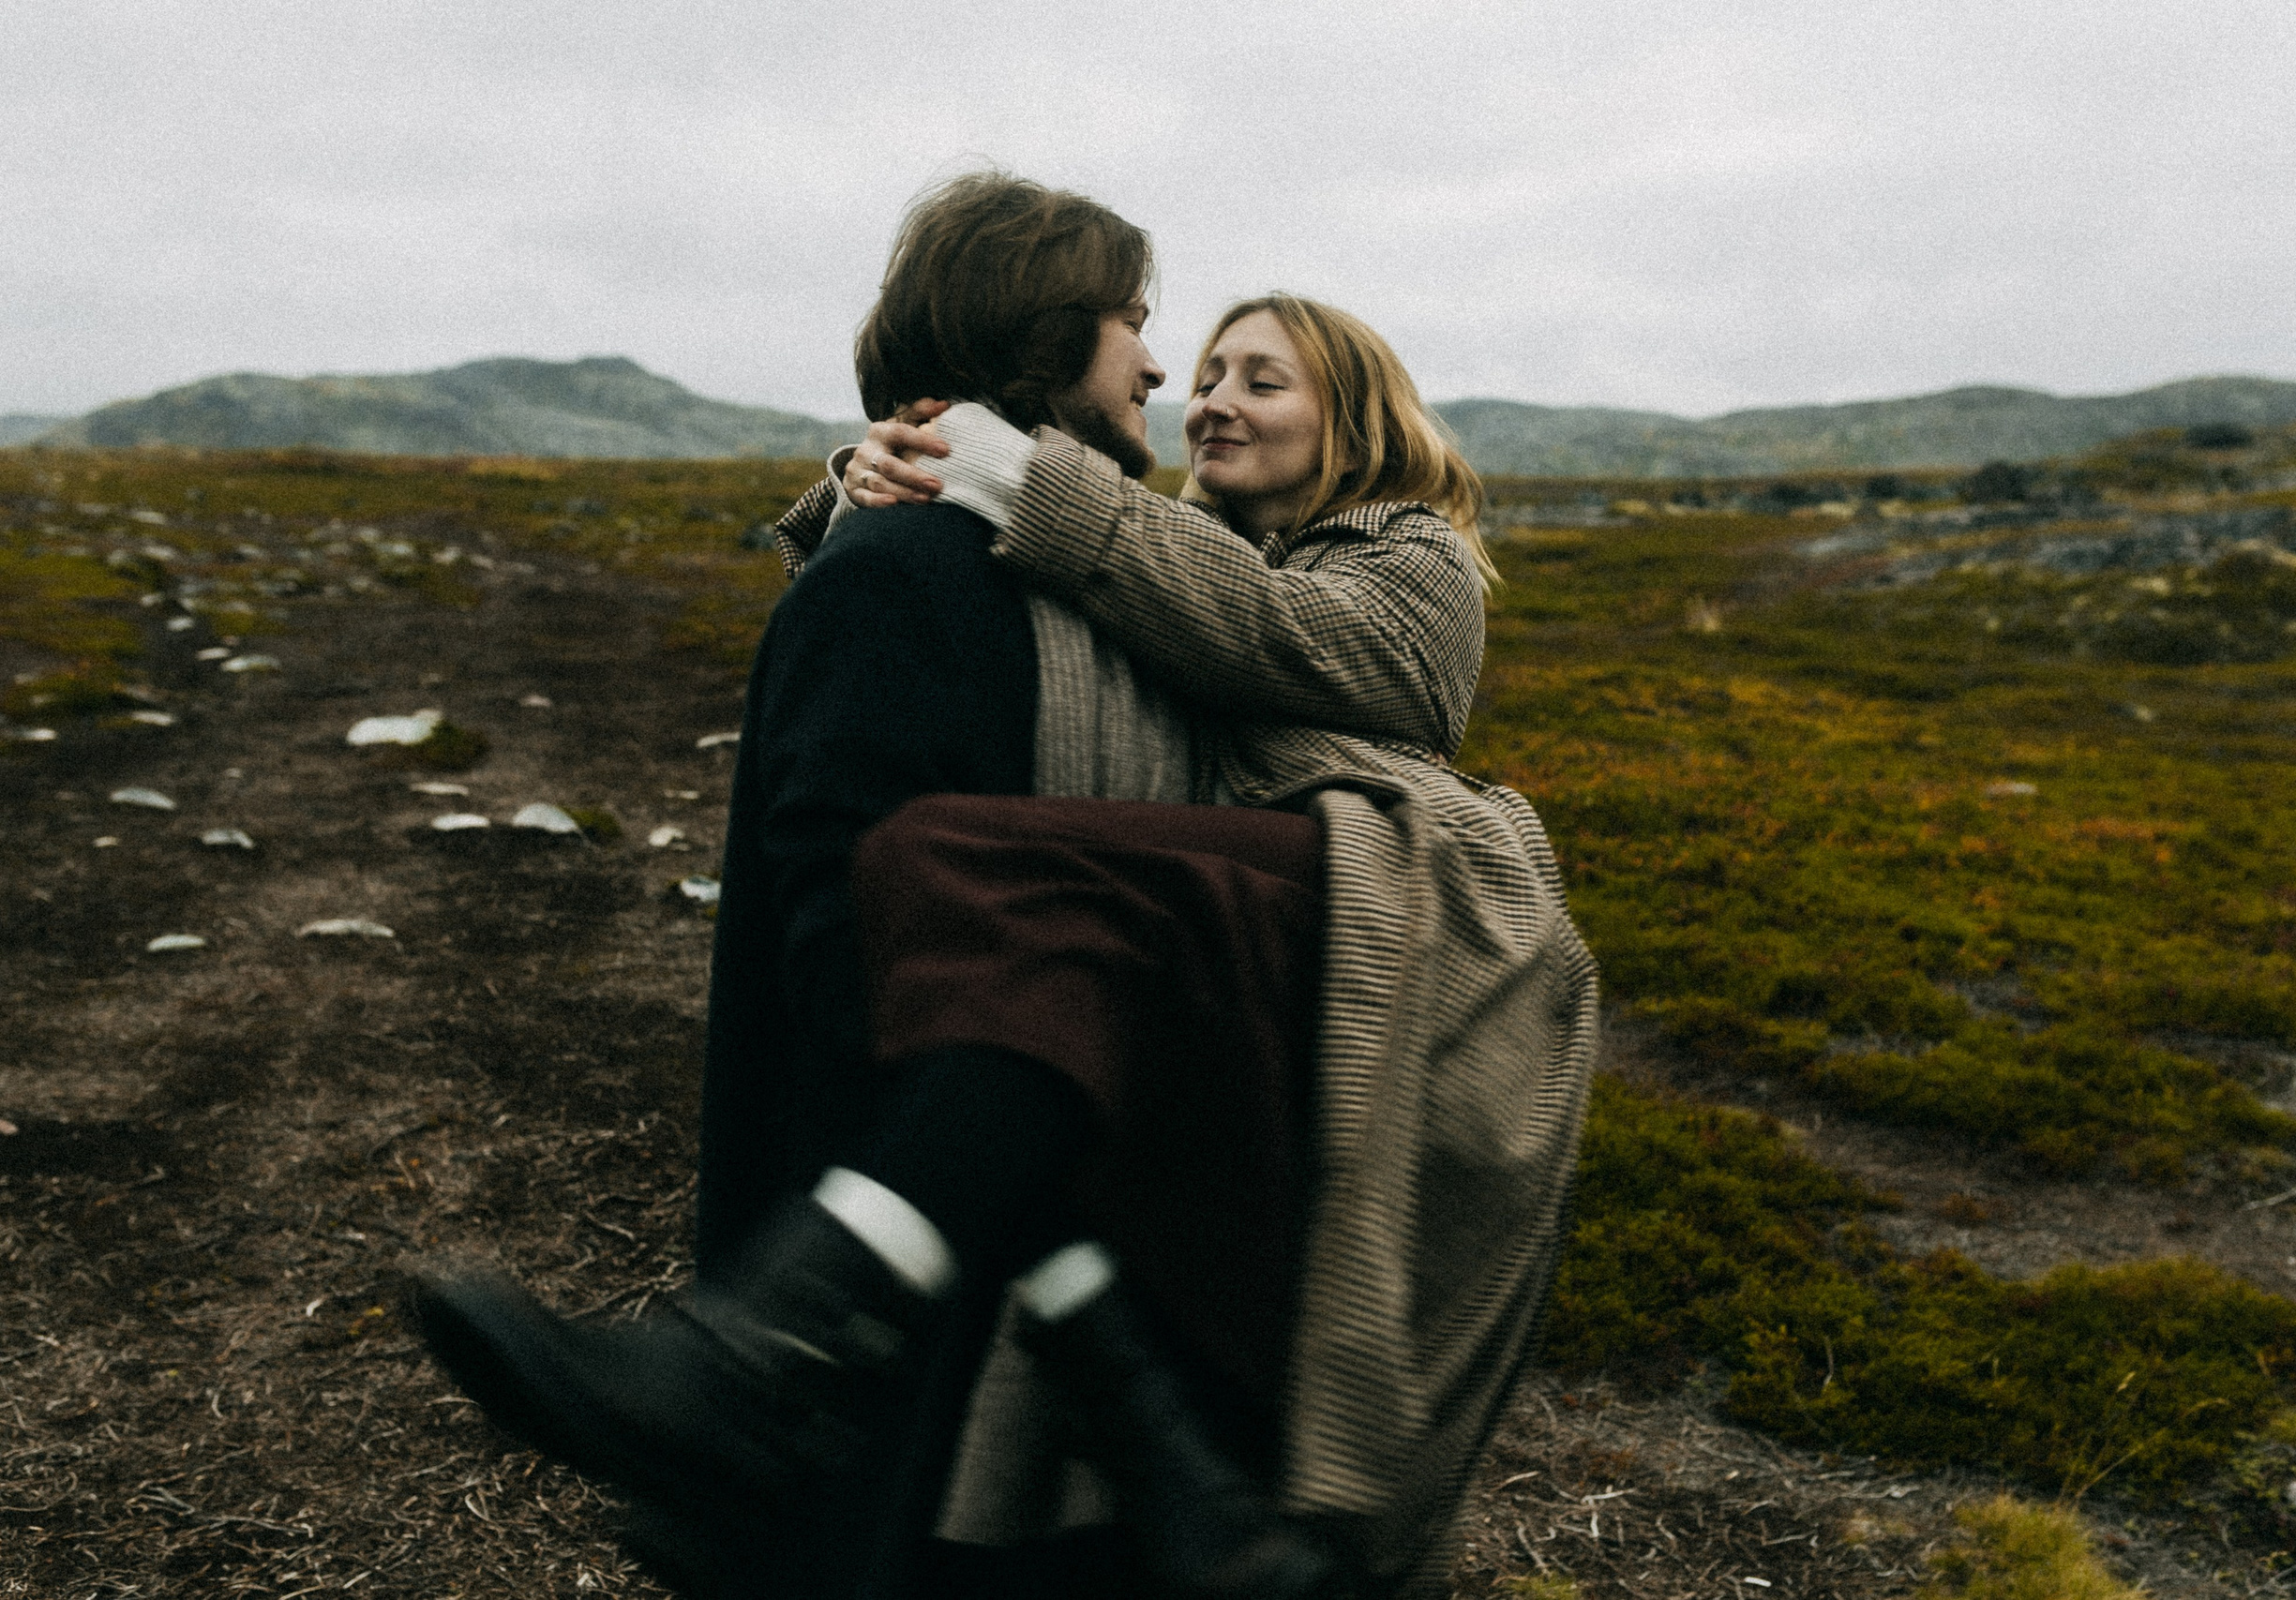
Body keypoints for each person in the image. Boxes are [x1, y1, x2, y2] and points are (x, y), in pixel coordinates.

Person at [415, 175, 1600, 1600]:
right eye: (1171, 347)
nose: (1193, 386)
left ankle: (784, 1357)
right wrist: (862, 500)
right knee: (1007, 964)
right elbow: (1102, 568)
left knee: (951, 877)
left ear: (1354, 413)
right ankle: (1138, 1417)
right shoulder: (1180, 546)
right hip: (1222, 963)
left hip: (1400, 911)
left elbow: (1270, 630)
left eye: (1256, 377)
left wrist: (1005, 479)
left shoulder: (1410, 555)